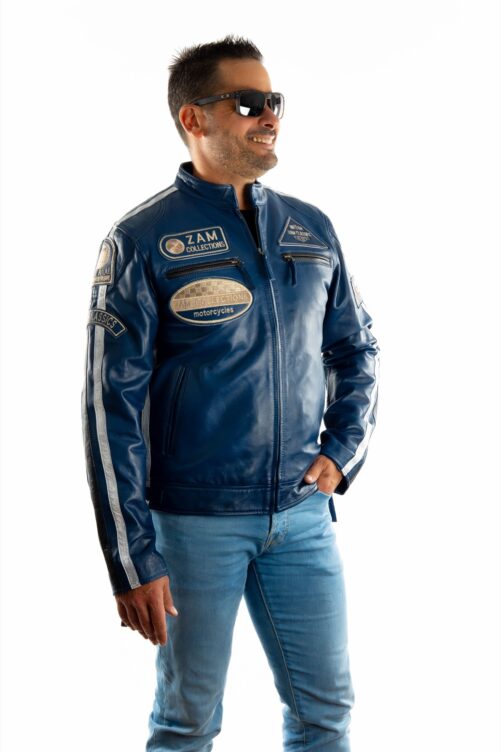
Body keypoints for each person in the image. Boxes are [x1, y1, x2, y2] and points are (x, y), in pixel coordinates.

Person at [82, 34, 380, 752]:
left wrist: (341, 452)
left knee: (326, 713)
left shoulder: (310, 229)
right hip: (194, 523)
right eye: (247, 103)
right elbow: (108, 408)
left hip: (302, 517)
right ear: (194, 118)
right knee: (187, 722)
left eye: (273, 101)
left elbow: (356, 350)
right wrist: (130, 558)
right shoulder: (141, 239)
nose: (268, 115)